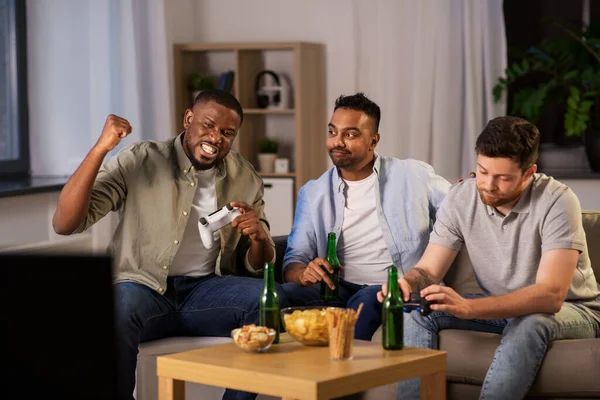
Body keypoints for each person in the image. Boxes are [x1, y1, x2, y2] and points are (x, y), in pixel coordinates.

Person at [52, 89, 288, 400]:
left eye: (227, 133)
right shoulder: (141, 159)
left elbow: (259, 263)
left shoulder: (244, 175)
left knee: (269, 301)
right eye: (208, 125)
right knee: (118, 307)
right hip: (142, 288)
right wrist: (100, 149)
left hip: (206, 292)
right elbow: (65, 224)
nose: (216, 138)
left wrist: (259, 237)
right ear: (188, 119)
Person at [377, 116, 600, 400]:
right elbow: (428, 270)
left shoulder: (557, 200)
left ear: (529, 173)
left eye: (503, 178)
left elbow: (550, 296)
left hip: (573, 309)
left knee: (531, 321)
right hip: (503, 308)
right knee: (417, 313)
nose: (488, 185)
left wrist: (470, 309)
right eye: (482, 171)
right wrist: (407, 284)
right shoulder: (461, 198)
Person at [281, 92, 451, 340]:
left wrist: (474, 189)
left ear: (373, 141)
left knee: (363, 301)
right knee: (280, 297)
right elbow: (294, 260)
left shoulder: (413, 175)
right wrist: (303, 273)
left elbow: (460, 209)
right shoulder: (313, 193)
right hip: (336, 288)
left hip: (393, 288)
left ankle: (346, 375)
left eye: (350, 135)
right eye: (332, 132)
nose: (337, 142)